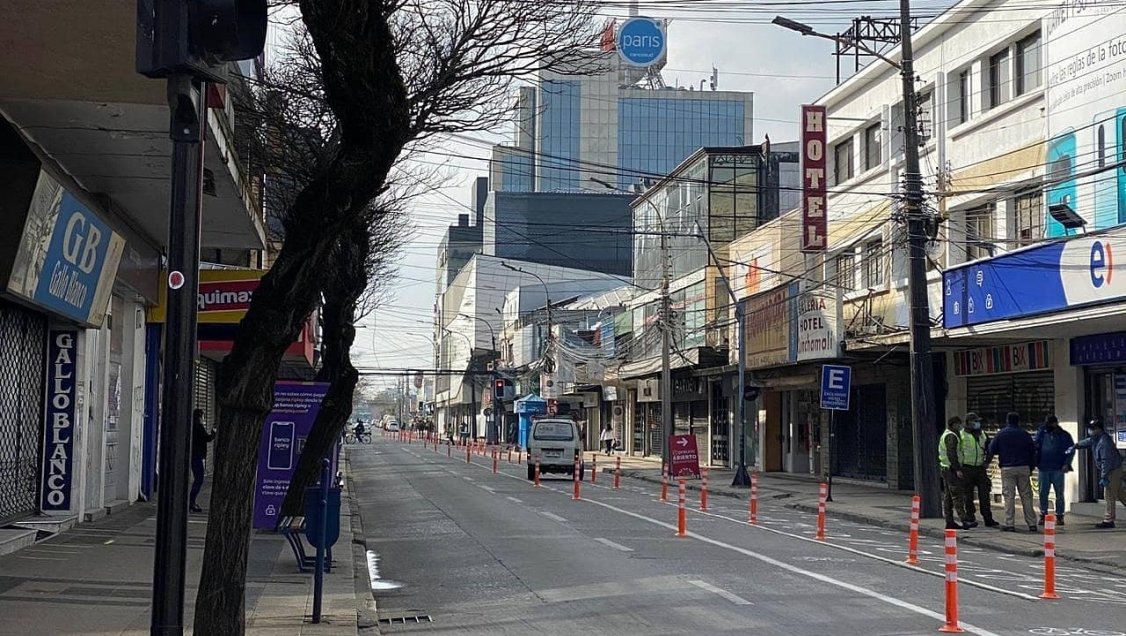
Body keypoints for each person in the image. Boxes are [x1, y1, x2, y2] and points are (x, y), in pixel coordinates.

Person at [1071, 418, 1126, 529]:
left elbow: (1107, 461)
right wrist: (1076, 445)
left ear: (1099, 429)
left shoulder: (1104, 442)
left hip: (1112, 470)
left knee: (1109, 495)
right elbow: (1088, 441)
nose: (1090, 431)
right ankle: (1109, 518)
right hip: (1114, 468)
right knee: (1120, 493)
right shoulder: (1096, 438)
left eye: (1093, 429)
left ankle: (1108, 520)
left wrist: (1104, 476)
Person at [988, 412, 1038, 532]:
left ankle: (1010, 524)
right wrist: (1031, 466)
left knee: (1009, 496)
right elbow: (1033, 451)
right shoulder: (1024, 434)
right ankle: (1032, 523)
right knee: (1026, 496)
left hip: (1007, 468)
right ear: (1018, 421)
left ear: (1007, 421)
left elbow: (991, 449)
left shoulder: (1001, 434)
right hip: (1023, 467)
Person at [1034, 415, 1075, 526]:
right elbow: (1035, 446)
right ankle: (1043, 514)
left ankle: (1060, 515)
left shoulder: (1064, 435)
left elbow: (1070, 450)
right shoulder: (1042, 433)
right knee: (1043, 493)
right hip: (1043, 467)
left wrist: (1067, 463)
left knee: (1059, 494)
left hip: (1058, 468)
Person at [960, 413, 999, 527]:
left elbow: (990, 449)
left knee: (984, 494)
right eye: (975, 421)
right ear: (968, 422)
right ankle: (970, 516)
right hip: (967, 468)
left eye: (978, 421)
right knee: (968, 495)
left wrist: (987, 462)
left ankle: (988, 518)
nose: (977, 423)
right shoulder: (961, 435)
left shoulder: (983, 434)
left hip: (980, 468)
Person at [939, 416, 972, 530]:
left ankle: (949, 521)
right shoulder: (951, 436)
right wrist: (957, 469)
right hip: (951, 470)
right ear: (953, 425)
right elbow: (952, 453)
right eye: (958, 424)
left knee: (948, 496)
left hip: (946, 468)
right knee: (956, 495)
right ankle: (964, 520)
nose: (960, 426)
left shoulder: (948, 434)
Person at [190, 409, 215, 513]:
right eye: (203, 417)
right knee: (199, 479)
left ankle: (192, 502)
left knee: (198, 479)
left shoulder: (193, 427)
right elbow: (207, 438)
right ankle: (191, 502)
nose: (203, 419)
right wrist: (213, 432)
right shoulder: (199, 427)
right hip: (197, 456)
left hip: (195, 455)